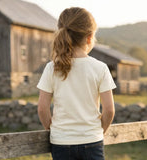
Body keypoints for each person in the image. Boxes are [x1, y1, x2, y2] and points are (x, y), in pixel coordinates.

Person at [37, 7, 116, 160]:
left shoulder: (51, 67)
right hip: (92, 141)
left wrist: (54, 130)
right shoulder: (100, 68)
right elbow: (109, 110)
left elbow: (42, 108)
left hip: (60, 142)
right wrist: (98, 131)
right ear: (89, 37)